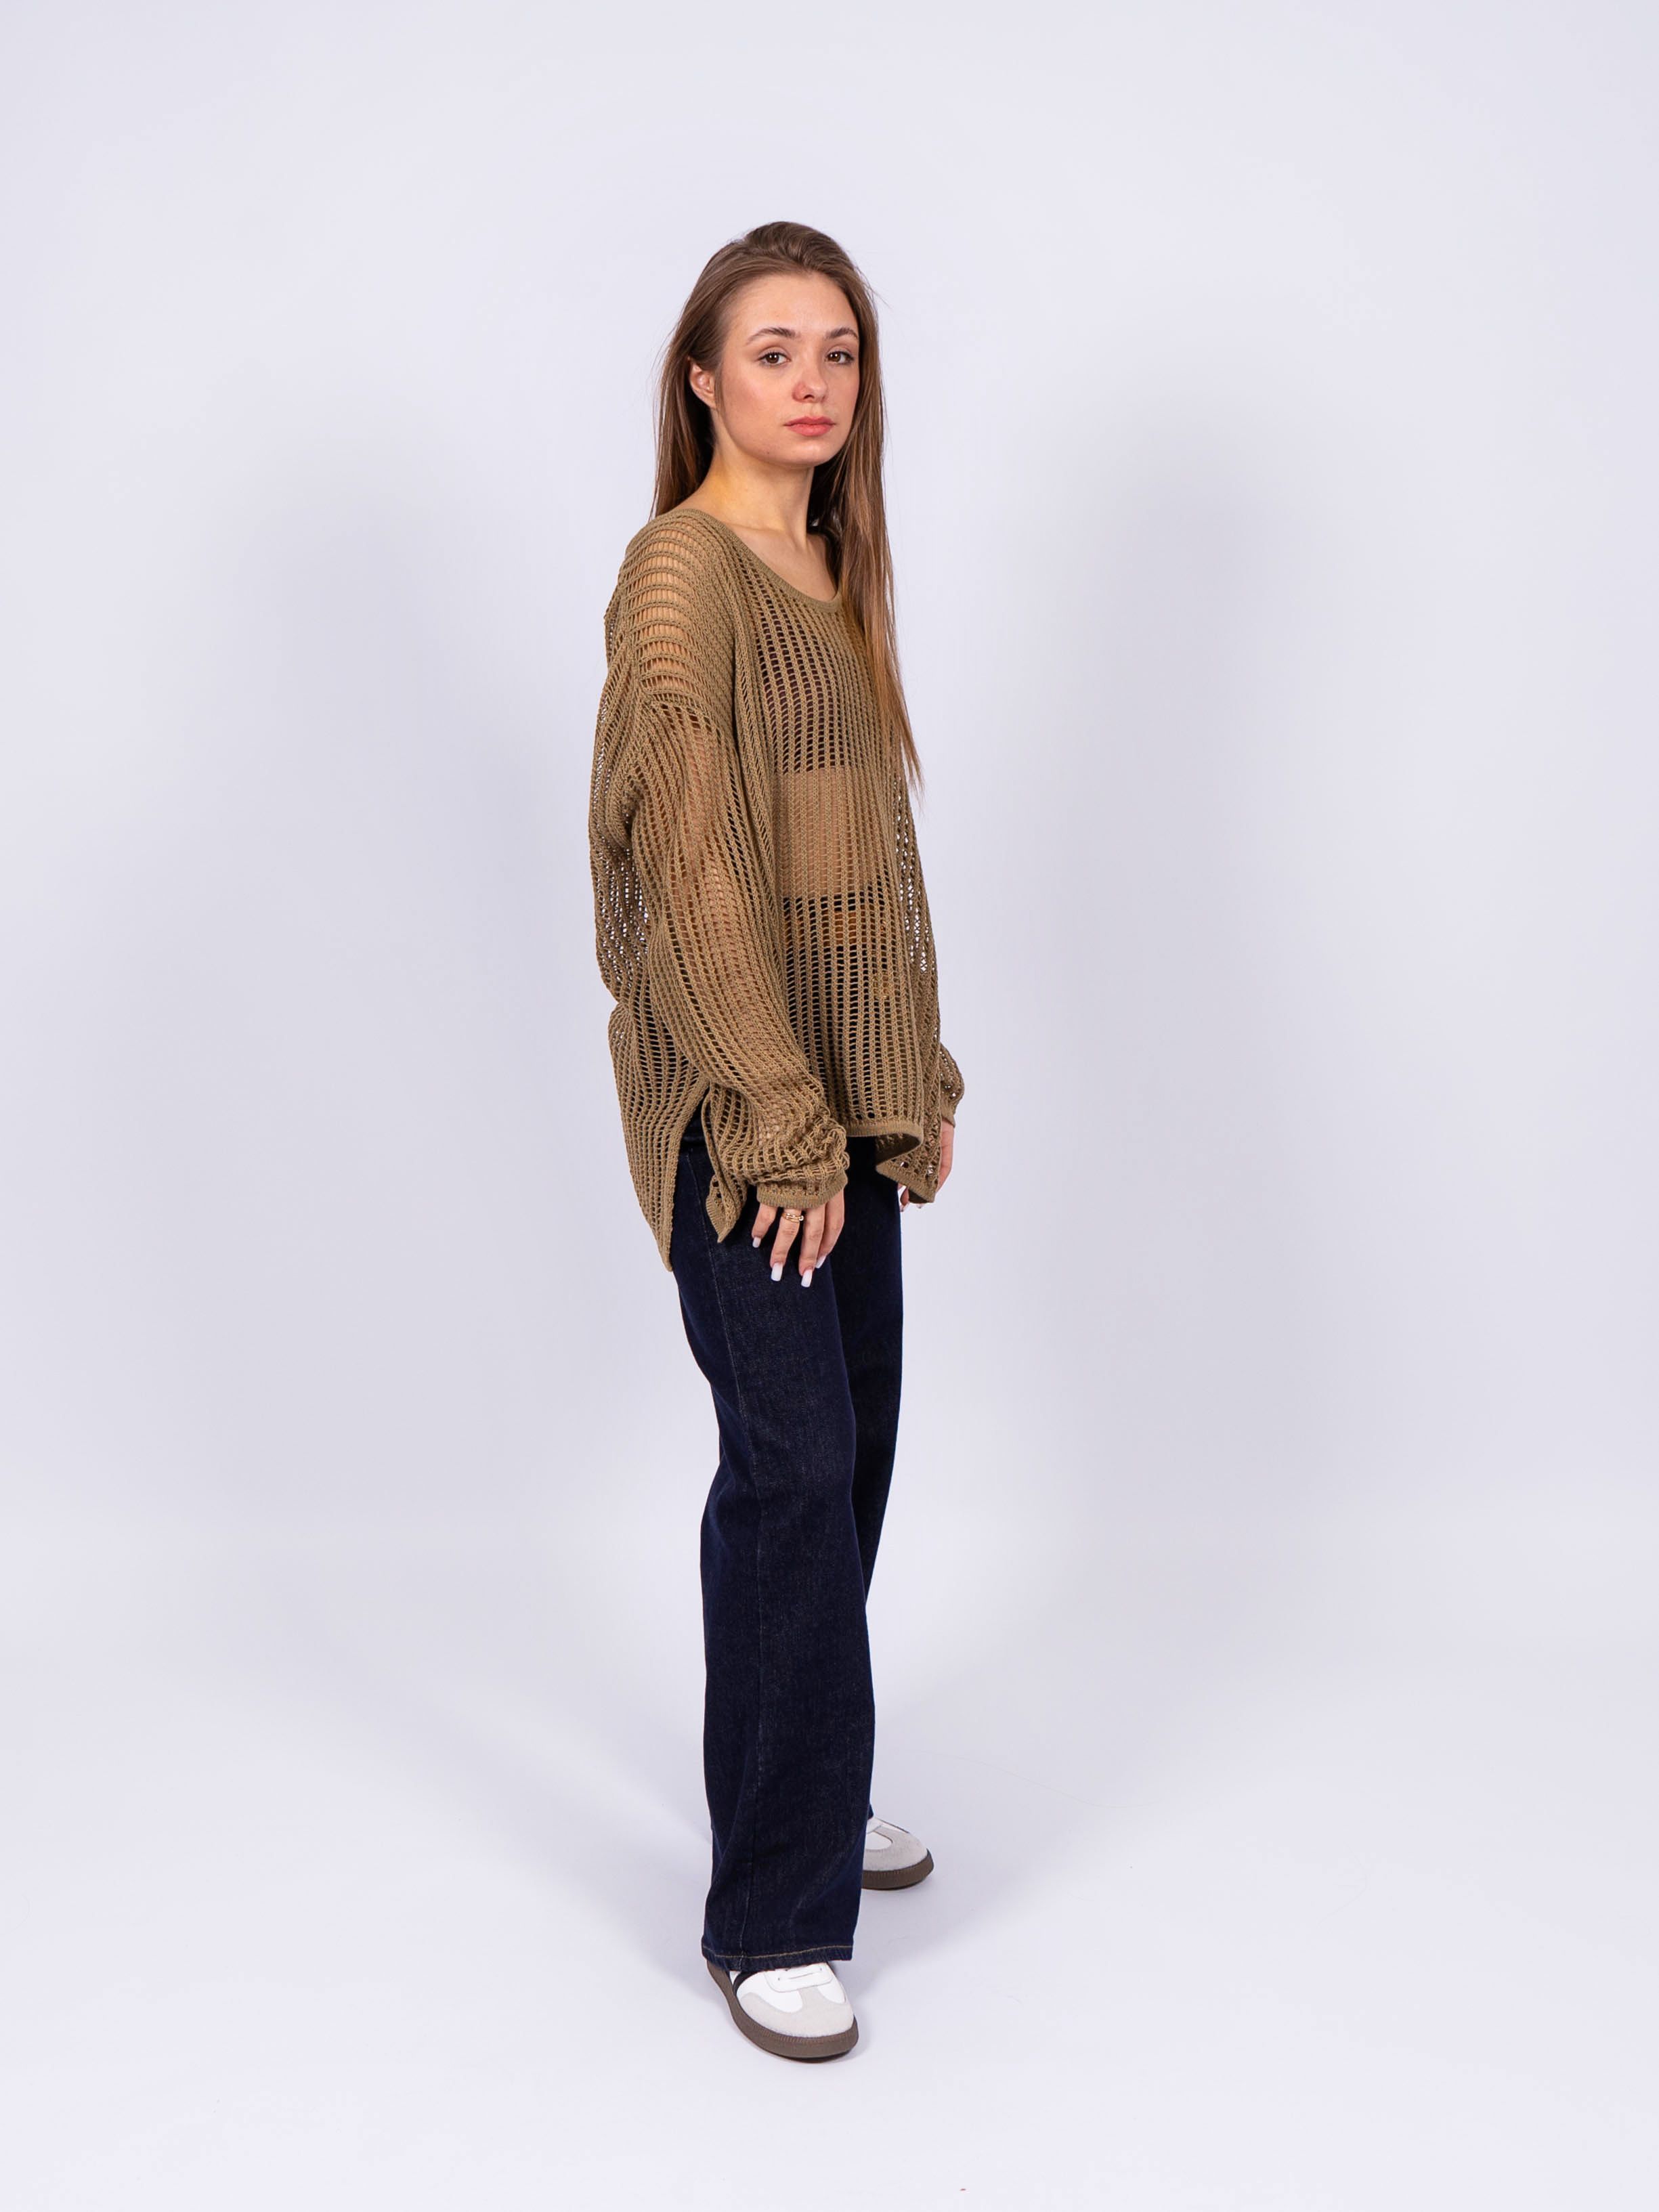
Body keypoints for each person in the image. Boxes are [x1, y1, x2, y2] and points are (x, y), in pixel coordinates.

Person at [586, 220, 966, 2062]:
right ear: (701, 378)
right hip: (748, 1122)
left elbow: (861, 856)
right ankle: (771, 1913)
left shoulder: (830, 561)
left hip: (840, 1108)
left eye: (840, 353)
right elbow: (693, 870)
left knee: (837, 1459)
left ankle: (801, 1773)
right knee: (797, 1464)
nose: (813, 384)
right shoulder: (682, 575)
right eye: (772, 352)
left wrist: (916, 1078)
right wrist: (782, 1118)